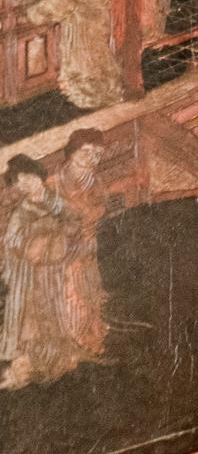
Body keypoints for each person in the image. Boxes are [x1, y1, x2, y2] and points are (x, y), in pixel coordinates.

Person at [0, 154, 85, 390]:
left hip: (53, 268)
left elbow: (74, 220)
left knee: (54, 308)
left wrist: (60, 237)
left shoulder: (55, 201)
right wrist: (34, 245)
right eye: (19, 182)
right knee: (31, 316)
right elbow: (12, 241)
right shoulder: (21, 211)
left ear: (38, 175)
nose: (25, 184)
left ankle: (57, 357)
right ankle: (26, 363)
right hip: (27, 272)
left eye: (27, 177)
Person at [51, 130, 109, 362]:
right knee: (72, 290)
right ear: (72, 153)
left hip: (86, 241)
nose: (92, 159)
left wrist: (89, 217)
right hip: (64, 247)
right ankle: (75, 334)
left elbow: (101, 204)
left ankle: (90, 332)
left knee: (89, 287)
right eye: (86, 153)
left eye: (97, 154)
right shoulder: (56, 182)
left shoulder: (94, 180)